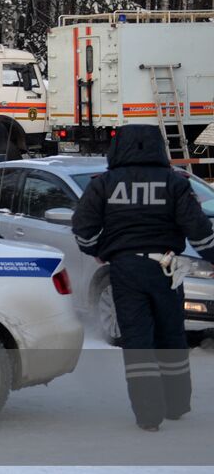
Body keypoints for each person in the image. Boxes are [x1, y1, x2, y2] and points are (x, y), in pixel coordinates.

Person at [72, 124, 214, 431]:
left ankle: (148, 416)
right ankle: (176, 405)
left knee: (138, 341)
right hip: (167, 269)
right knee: (171, 336)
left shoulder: (104, 184)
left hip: (125, 269)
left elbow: (82, 227)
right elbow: (199, 231)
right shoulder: (174, 183)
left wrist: (98, 249)